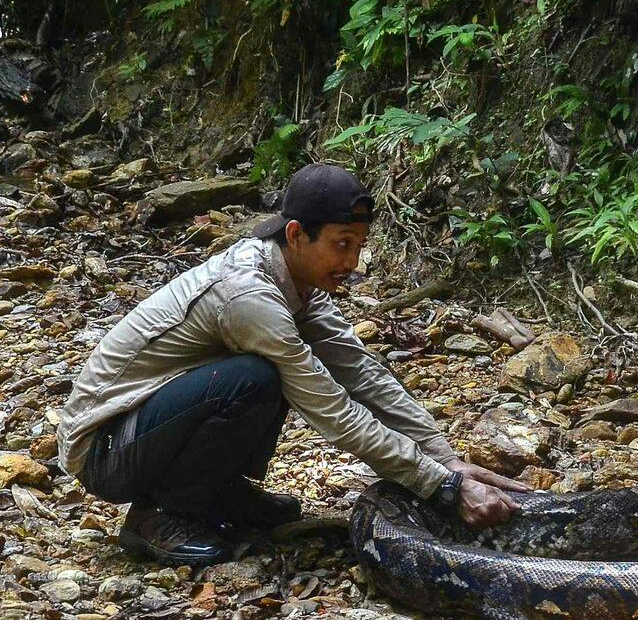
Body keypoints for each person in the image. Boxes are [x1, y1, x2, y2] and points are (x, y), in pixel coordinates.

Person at [57, 162, 525, 566]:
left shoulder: (299, 286)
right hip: (104, 448)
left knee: (263, 375)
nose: (353, 261)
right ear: (297, 235)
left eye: (359, 246)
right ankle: (159, 515)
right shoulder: (248, 298)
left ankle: (216, 492)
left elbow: (362, 374)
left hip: (145, 429)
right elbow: (333, 412)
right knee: (255, 378)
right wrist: (440, 486)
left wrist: (446, 459)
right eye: (342, 245)